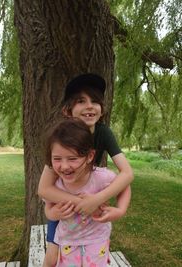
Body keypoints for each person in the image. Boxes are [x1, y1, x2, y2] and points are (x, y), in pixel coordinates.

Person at [38, 73, 134, 266]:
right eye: (81, 101)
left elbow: (127, 174)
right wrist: (80, 203)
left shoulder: (103, 132)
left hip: (90, 200)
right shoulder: (61, 138)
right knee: (51, 258)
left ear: (102, 109)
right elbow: (44, 189)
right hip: (65, 204)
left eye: (95, 101)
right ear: (68, 110)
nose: (89, 106)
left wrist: (110, 205)